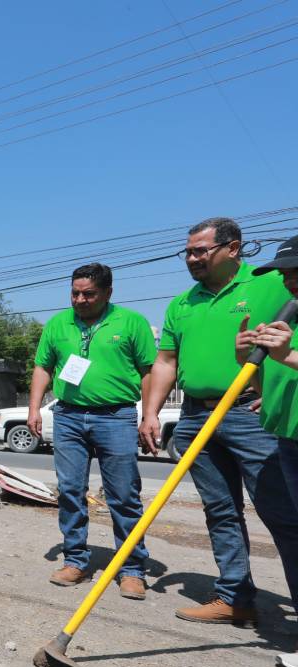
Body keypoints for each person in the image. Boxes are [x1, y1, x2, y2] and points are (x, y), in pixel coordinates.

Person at [140, 217, 298, 624]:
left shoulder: (273, 282)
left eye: (200, 251)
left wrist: (270, 387)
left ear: (233, 248)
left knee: (282, 514)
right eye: (188, 252)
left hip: (249, 416)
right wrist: (151, 411)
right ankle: (234, 597)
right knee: (220, 511)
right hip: (195, 415)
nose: (192, 259)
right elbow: (166, 361)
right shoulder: (182, 303)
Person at [28, 263, 156, 599]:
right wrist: (34, 408)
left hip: (116, 416)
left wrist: (149, 415)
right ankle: (75, 560)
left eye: (88, 294)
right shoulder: (58, 323)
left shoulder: (131, 322)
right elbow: (43, 367)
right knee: (70, 491)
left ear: (108, 292)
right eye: (75, 293)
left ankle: (131, 569)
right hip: (68, 416)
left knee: (123, 495)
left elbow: (148, 371)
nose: (80, 300)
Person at [233, 234, 298, 667]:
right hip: (288, 437)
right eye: (286, 274)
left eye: (297, 273)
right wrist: (249, 360)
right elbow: (267, 386)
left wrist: (287, 353)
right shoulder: (290, 316)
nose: (290, 282)